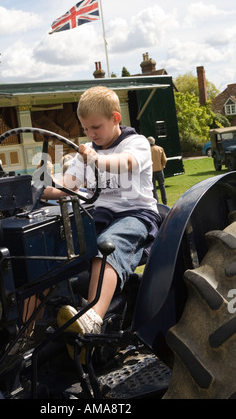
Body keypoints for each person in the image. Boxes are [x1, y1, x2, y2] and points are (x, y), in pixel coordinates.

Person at [42, 86, 161, 353]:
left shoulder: (136, 143)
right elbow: (68, 186)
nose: (91, 134)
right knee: (52, 243)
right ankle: (33, 329)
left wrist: (97, 159)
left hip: (136, 215)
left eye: (96, 127)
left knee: (107, 244)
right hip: (99, 215)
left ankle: (93, 316)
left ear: (116, 118)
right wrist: (40, 189)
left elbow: (127, 163)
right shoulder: (87, 153)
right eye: (86, 129)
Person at [147, 136, 167, 205]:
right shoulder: (160, 148)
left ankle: (157, 203)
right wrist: (162, 166)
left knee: (153, 188)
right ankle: (165, 201)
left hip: (151, 171)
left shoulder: (146, 150)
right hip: (159, 169)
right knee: (162, 185)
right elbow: (164, 160)